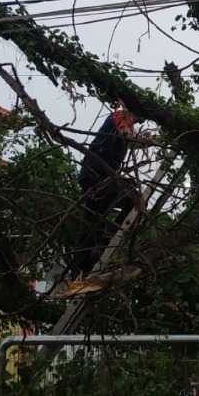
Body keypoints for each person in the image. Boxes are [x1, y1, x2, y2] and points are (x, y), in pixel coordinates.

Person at [69, 108, 141, 278]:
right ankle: (79, 269)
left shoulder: (128, 127)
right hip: (95, 176)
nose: (137, 122)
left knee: (129, 201)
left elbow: (128, 139)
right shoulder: (119, 116)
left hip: (107, 178)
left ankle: (100, 246)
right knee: (92, 223)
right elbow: (123, 133)